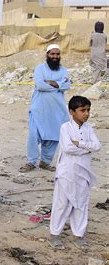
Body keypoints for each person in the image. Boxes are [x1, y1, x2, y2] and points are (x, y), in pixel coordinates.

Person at [48, 96, 101, 250]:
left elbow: (97, 146)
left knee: (81, 204)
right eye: (82, 110)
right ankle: (54, 235)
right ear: (72, 112)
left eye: (88, 110)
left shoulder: (88, 129)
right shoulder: (65, 128)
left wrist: (81, 144)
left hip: (83, 173)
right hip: (66, 172)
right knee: (62, 203)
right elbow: (68, 148)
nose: (86, 114)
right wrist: (86, 148)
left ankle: (78, 236)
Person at [19, 44, 71, 173]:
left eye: (57, 54)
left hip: (57, 110)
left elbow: (67, 86)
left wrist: (53, 83)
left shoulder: (64, 70)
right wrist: (59, 84)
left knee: (53, 137)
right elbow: (40, 85)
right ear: (47, 54)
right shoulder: (40, 68)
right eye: (52, 54)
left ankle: (45, 162)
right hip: (39, 109)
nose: (55, 56)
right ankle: (31, 162)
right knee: (33, 135)